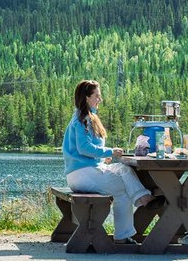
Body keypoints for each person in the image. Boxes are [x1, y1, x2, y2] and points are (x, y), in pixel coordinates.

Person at [63, 80, 154, 244]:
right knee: (123, 188)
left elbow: (84, 151)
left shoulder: (83, 117)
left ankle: (142, 197)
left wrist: (102, 156)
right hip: (83, 174)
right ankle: (123, 236)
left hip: (83, 172)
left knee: (123, 169)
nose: (100, 99)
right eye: (97, 96)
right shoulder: (83, 119)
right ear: (86, 98)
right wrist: (110, 151)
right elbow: (84, 148)